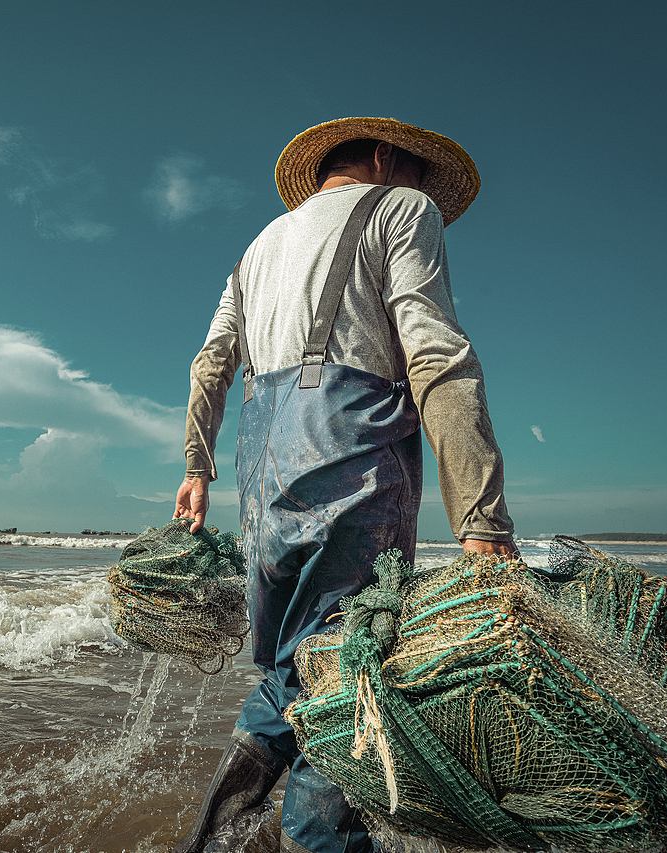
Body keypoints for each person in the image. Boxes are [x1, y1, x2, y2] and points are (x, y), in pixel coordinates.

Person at [172, 117, 517, 853]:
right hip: (350, 473)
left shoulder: (255, 249)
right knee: (352, 674)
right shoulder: (401, 209)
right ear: (388, 158)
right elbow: (436, 355)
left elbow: (210, 364)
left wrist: (196, 469)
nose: (427, 192)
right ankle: (314, 839)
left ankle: (218, 834)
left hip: (260, 490)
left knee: (298, 662)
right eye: (421, 175)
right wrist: (482, 521)